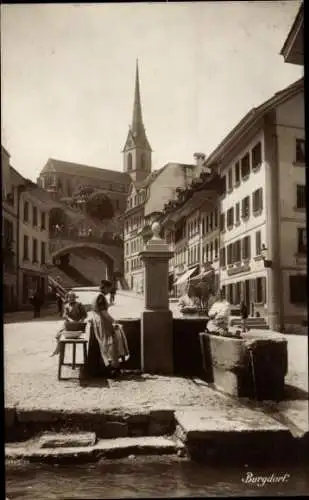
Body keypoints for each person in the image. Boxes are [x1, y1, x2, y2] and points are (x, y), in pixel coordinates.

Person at [84, 280, 129, 378]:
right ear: (104, 287)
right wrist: (114, 321)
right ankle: (112, 368)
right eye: (109, 288)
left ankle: (110, 366)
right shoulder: (101, 297)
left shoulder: (96, 296)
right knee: (112, 343)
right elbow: (103, 312)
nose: (110, 290)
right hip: (102, 322)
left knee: (105, 344)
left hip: (97, 321)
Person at [51, 291, 87, 356]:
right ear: (67, 298)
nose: (71, 299)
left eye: (73, 297)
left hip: (77, 324)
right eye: (70, 297)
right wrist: (70, 320)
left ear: (75, 298)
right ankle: (58, 349)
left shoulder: (79, 304)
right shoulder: (66, 305)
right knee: (59, 335)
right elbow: (65, 315)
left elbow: (84, 315)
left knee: (75, 333)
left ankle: (57, 350)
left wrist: (81, 321)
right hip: (68, 324)